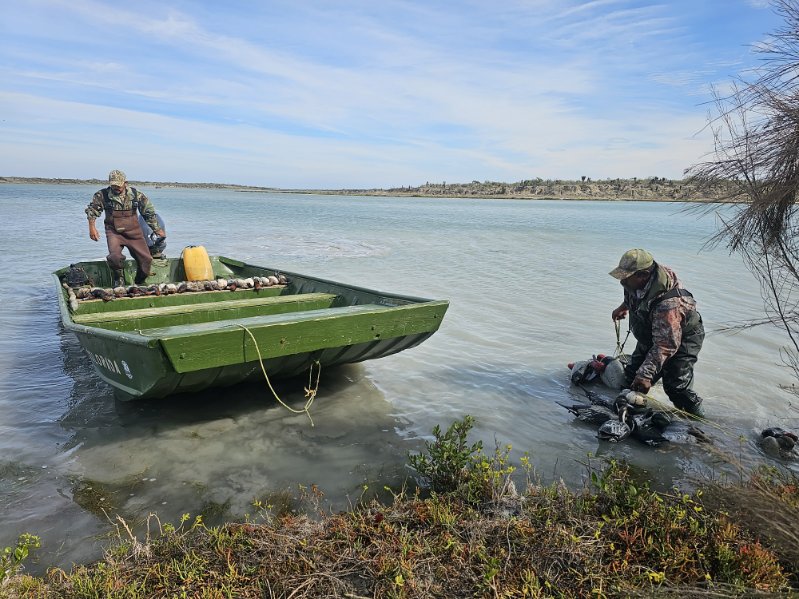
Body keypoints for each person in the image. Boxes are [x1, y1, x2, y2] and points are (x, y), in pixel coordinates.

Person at [609, 249, 705, 415]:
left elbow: (666, 344)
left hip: (682, 337)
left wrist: (646, 375)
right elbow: (636, 295)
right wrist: (623, 307)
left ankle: (700, 422)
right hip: (655, 331)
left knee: (676, 387)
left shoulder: (668, 304)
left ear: (643, 275)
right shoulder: (636, 281)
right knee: (632, 377)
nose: (622, 280)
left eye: (626, 276)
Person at [86, 170, 166, 286]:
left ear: (125, 183)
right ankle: (119, 278)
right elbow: (92, 211)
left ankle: (139, 283)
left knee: (147, 259)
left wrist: (157, 229)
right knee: (114, 257)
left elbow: (148, 213)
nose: (115, 187)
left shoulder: (136, 194)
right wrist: (92, 228)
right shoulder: (102, 195)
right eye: (113, 185)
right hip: (114, 232)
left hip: (134, 232)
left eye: (118, 185)